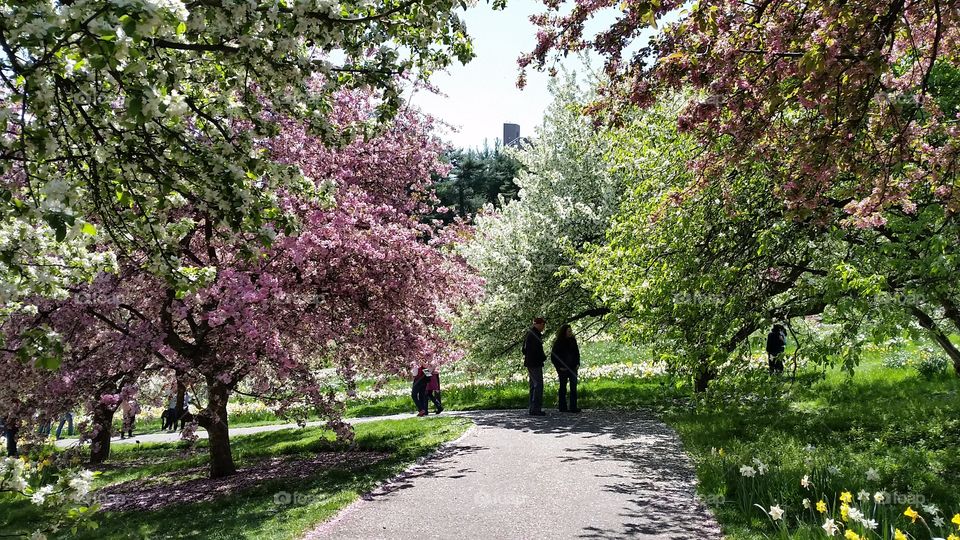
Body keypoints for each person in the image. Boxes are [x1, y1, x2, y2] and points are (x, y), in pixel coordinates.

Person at [551, 324, 581, 413]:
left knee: (573, 387)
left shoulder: (573, 341)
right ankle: (562, 407)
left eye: (571, 331)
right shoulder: (558, 343)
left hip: (573, 368)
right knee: (563, 387)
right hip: (563, 369)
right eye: (568, 331)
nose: (570, 333)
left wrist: (577, 363)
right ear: (564, 332)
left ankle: (573, 407)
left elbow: (577, 353)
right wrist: (559, 367)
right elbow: (553, 357)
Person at [523, 317, 547, 416]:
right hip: (535, 363)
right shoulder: (535, 335)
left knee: (533, 385)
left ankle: (533, 408)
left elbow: (524, 350)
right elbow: (536, 351)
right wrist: (543, 357)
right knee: (538, 385)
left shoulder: (529, 334)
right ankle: (536, 408)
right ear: (537, 324)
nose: (543, 327)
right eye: (542, 324)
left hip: (530, 362)